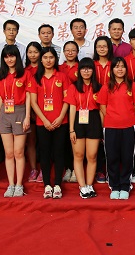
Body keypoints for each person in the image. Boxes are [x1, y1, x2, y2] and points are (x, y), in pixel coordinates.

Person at [28, 47, 70, 199]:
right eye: (45, 57)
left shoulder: (62, 76)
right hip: (42, 123)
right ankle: (47, 185)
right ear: (41, 59)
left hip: (61, 122)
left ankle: (57, 184)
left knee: (59, 153)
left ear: (55, 59)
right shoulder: (35, 78)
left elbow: (67, 99)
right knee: (45, 154)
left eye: (51, 57)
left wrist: (60, 117)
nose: (48, 60)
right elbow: (33, 102)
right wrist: (44, 120)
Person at [97, 57, 135, 200]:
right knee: (112, 157)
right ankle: (114, 186)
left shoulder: (132, 85)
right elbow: (102, 106)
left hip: (129, 126)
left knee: (128, 157)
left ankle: (125, 185)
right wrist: (112, 116)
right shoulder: (106, 87)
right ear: (112, 70)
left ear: (126, 69)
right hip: (111, 126)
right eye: (117, 66)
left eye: (122, 66)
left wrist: (127, 116)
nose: (120, 69)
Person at [0, 45, 31, 198]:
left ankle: (19, 184)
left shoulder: (25, 74)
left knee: (18, 152)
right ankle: (11, 184)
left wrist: (27, 116)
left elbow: (28, 96)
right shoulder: (0, 75)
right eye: (6, 56)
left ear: (17, 57)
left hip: (20, 111)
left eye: (12, 56)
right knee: (9, 153)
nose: (9, 59)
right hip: (4, 113)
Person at [65, 57, 103, 199]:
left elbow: (102, 109)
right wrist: (71, 129)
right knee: (78, 155)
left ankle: (89, 184)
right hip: (78, 121)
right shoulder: (73, 87)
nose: (86, 71)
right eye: (83, 68)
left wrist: (103, 128)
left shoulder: (99, 87)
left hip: (94, 120)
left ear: (93, 71)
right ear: (79, 71)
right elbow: (71, 108)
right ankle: (82, 186)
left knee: (92, 156)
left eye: (89, 68)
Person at [60, 40, 80, 184]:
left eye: (73, 50)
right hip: (61, 108)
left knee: (76, 139)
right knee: (65, 141)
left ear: (77, 52)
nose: (70, 53)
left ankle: (76, 169)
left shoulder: (82, 67)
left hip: (78, 108)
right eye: (67, 50)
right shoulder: (59, 68)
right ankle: (68, 167)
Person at [25, 41, 43, 183]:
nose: (33, 55)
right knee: (31, 141)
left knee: (44, 141)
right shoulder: (24, 71)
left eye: (36, 52)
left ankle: (43, 169)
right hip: (29, 111)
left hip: (45, 111)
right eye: (30, 52)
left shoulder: (46, 68)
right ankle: (33, 169)